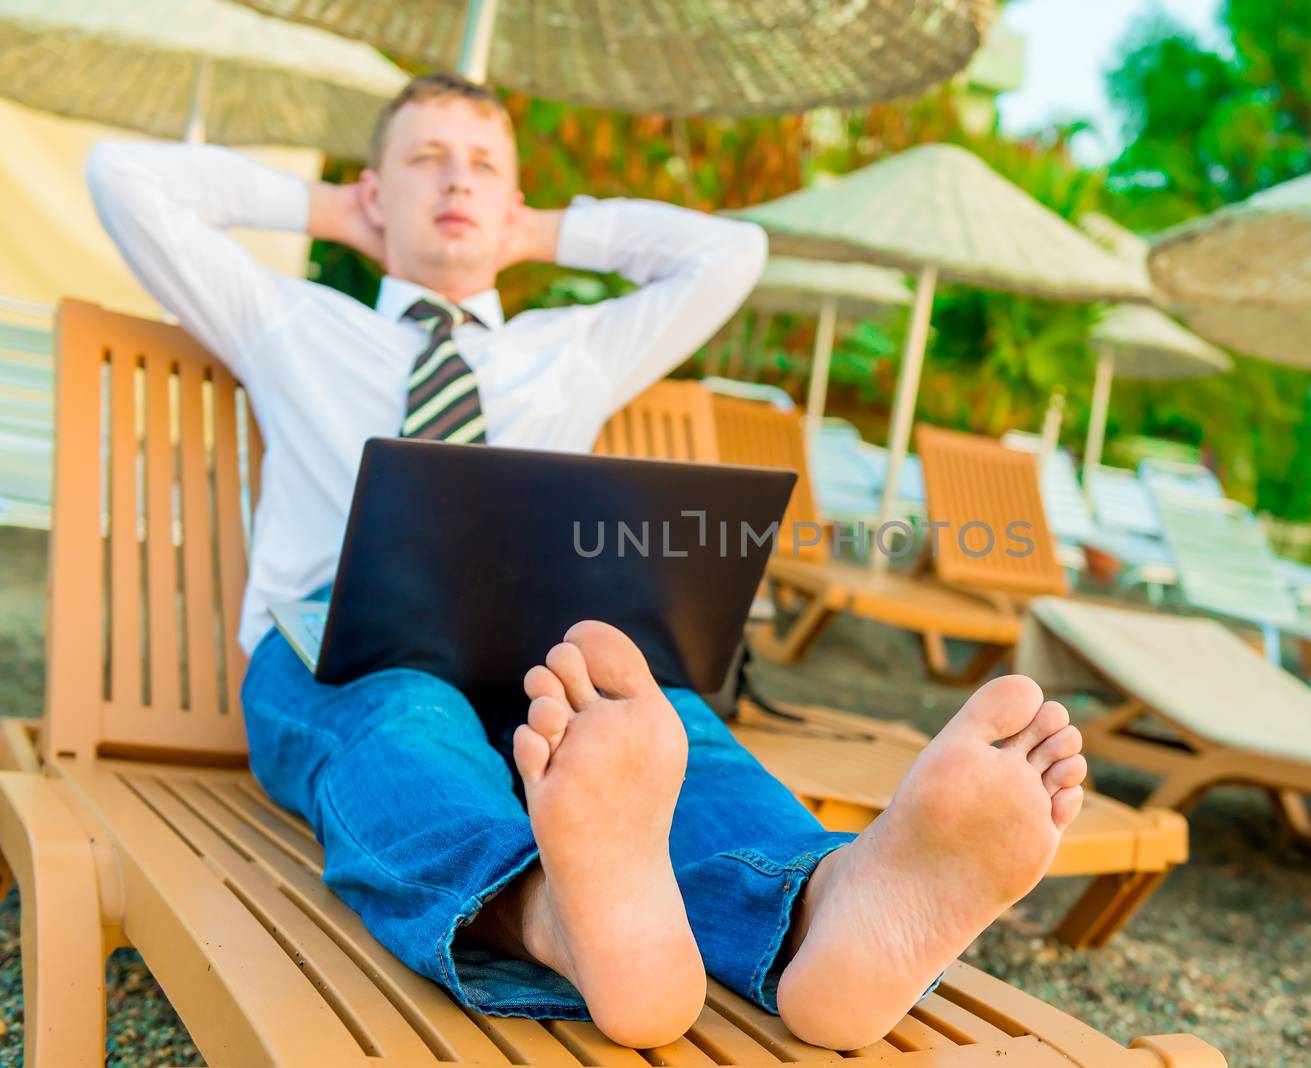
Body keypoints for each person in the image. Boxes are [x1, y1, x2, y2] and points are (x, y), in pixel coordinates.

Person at [87, 72, 1088, 1050]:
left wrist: (541, 230)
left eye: (484, 166)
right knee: (405, 719)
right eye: (425, 161)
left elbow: (729, 253)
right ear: (371, 190)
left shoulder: (567, 350)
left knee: (662, 724)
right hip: (337, 658)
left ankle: (828, 906)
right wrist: (330, 210)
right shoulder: (292, 321)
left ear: (514, 201)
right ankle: (551, 913)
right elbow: (123, 178)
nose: (456, 182)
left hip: (537, 673)